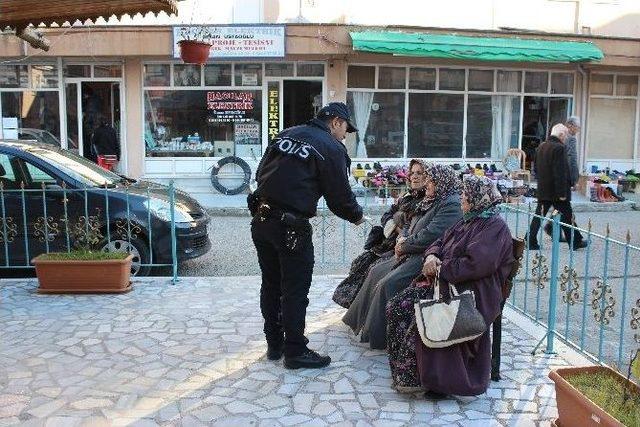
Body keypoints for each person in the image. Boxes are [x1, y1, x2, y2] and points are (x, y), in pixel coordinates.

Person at [250, 102, 365, 369]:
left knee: (271, 285)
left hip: (261, 219)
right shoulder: (330, 147)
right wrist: (358, 216)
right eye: (346, 129)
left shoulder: (286, 134)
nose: (345, 136)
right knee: (294, 290)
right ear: (336, 122)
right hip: (290, 227)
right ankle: (295, 351)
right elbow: (339, 198)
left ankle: (274, 344)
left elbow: (259, 174)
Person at [386, 175, 514, 397]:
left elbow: (476, 265)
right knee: (396, 305)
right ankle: (410, 374)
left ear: (477, 198)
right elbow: (439, 241)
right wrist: (432, 256)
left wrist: (441, 268)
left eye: (466, 196)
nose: (462, 199)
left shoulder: (494, 226)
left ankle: (438, 381)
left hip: (473, 291)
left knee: (416, 312)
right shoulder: (469, 218)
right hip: (449, 282)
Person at [343, 164, 462, 350]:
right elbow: (410, 222)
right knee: (375, 270)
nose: (427, 184)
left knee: (387, 283)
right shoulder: (432, 199)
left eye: (431, 180)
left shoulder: (451, 204)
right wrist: (402, 239)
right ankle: (360, 323)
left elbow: (431, 234)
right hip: (411, 251)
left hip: (425, 256)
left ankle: (378, 337)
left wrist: (404, 245)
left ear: (442, 182)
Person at [332, 159, 428, 309]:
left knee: (374, 269)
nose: (414, 176)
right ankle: (360, 309)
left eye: (419, 173)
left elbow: (415, 226)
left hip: (405, 247)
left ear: (428, 176)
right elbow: (386, 216)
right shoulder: (406, 197)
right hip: (389, 243)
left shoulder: (427, 200)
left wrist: (399, 229)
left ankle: (367, 311)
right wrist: (394, 226)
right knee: (361, 262)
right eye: (412, 173)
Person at [526, 123, 587, 250]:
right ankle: (575, 241)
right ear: (560, 135)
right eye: (565, 136)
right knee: (567, 215)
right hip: (557, 192)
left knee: (540, 215)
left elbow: (536, 169)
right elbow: (561, 172)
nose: (565, 139)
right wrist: (562, 193)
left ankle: (530, 240)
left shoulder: (541, 147)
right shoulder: (559, 148)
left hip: (544, 189)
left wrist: (542, 183)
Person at [543, 116, 581, 242]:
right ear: (570, 126)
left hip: (554, 177)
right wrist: (574, 179)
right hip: (564, 177)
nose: (578, 130)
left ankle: (551, 227)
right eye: (577, 127)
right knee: (564, 207)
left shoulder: (558, 138)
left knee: (559, 206)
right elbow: (572, 160)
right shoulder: (570, 139)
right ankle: (575, 239)